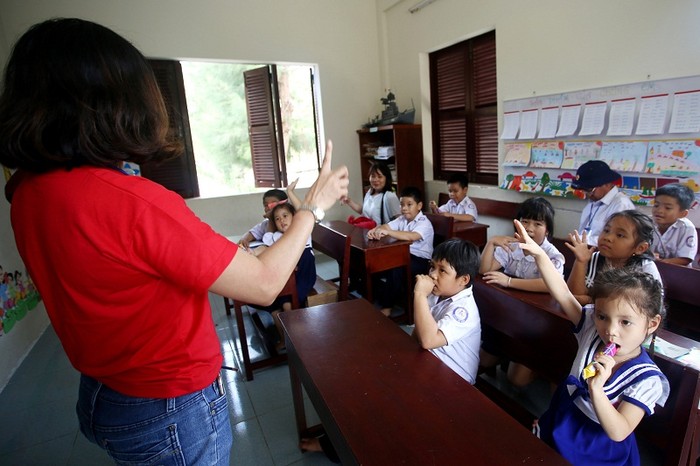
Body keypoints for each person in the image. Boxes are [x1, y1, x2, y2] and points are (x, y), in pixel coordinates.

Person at [0, 18, 348, 466]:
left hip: (102, 391)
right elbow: (263, 283)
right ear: (116, 103)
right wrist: (312, 208)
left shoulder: (27, 192)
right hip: (167, 405)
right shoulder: (133, 203)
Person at [513, 219, 669, 466]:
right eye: (602, 316)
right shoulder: (590, 329)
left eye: (625, 322)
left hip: (597, 449)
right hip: (563, 419)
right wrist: (539, 254)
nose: (610, 331)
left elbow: (619, 431)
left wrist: (597, 390)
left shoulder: (647, 380)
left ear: (651, 324)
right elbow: (563, 293)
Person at [479, 197, 565, 386]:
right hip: (507, 314)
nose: (530, 228)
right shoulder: (512, 246)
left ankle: (540, 370)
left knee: (517, 380)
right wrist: (491, 243)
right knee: (484, 361)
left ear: (548, 230)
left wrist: (509, 281)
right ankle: (504, 356)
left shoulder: (552, 254)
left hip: (535, 322)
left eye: (537, 223)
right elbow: (485, 271)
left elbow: (549, 284)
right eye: (525, 221)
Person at [413, 239, 481, 384]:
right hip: (432, 359)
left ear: (463, 280)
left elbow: (428, 341)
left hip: (456, 377)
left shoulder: (464, 310)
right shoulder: (437, 291)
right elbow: (418, 333)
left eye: (442, 270)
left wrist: (419, 295)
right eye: (432, 267)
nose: (433, 275)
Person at [251, 202, 316, 351]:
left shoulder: (302, 232)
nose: (282, 221)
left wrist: (290, 192)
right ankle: (285, 337)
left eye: (285, 216)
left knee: (286, 302)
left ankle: (295, 339)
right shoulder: (276, 236)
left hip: (304, 275)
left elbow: (304, 211)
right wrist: (252, 253)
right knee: (273, 305)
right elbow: (265, 247)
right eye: (277, 219)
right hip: (288, 277)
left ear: (295, 218)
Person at [567, 210, 662, 306]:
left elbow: (648, 307)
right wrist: (581, 262)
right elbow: (573, 296)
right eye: (606, 230)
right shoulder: (593, 258)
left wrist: (590, 300)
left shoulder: (645, 268)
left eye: (620, 235)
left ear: (640, 248)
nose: (607, 237)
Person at [367, 186, 434, 316]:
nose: (404, 208)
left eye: (409, 205)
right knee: (376, 262)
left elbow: (411, 236)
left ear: (419, 205)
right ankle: (376, 297)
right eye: (402, 204)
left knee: (395, 267)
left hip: (420, 261)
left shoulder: (424, 223)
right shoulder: (402, 219)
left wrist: (388, 232)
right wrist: (375, 230)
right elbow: (386, 226)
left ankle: (387, 307)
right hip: (403, 255)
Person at [572, 160, 634, 246]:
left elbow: (616, 240)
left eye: (589, 190)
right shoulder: (592, 202)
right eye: (584, 190)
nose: (586, 194)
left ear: (607, 184)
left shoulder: (621, 205)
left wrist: (577, 239)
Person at [651, 182, 698, 266]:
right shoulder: (645, 223)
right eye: (656, 205)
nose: (659, 210)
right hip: (649, 268)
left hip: (677, 272)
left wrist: (660, 262)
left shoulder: (687, 228)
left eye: (667, 208)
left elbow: (685, 259)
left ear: (683, 213)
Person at [341, 161, 400, 226]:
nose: (375, 180)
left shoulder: (389, 196)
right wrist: (349, 201)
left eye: (380, 177)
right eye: (373, 176)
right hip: (366, 235)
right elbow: (364, 212)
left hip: (381, 235)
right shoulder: (369, 192)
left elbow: (399, 220)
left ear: (387, 178)